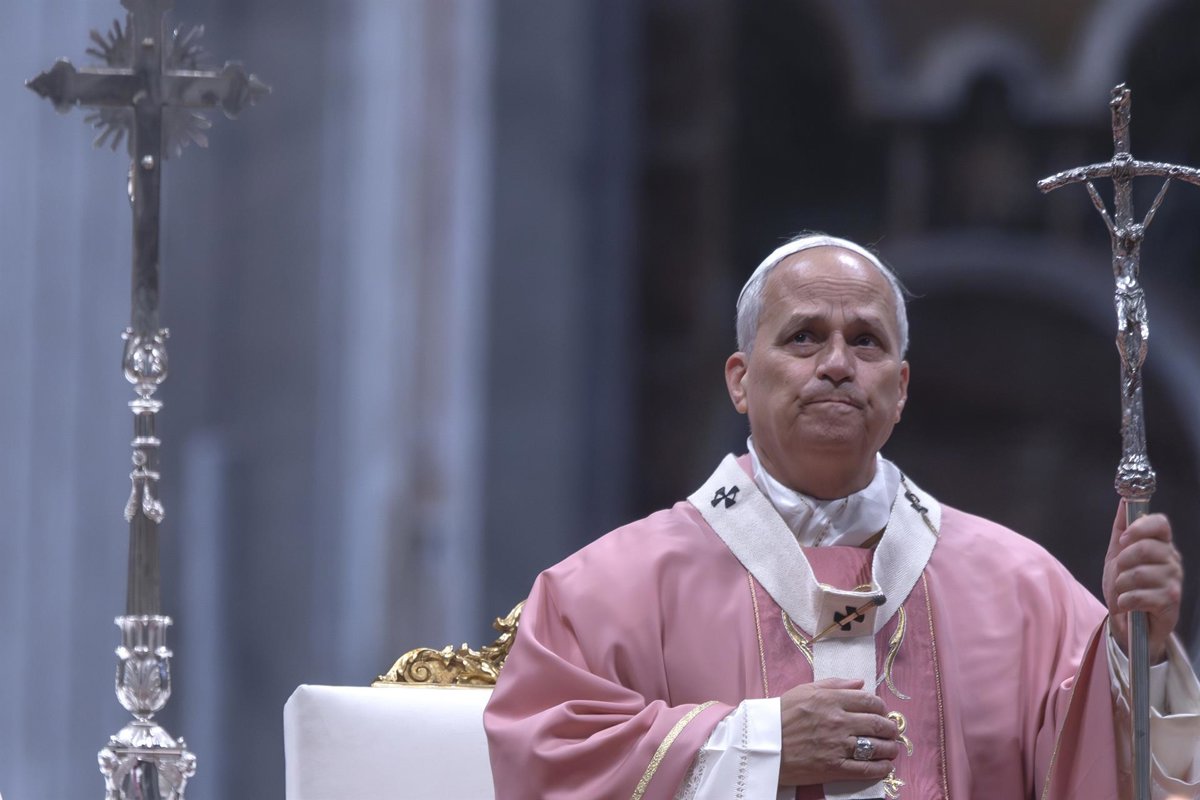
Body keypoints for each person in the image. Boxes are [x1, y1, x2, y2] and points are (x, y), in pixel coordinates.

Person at [483, 234, 1200, 799]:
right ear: (740, 380)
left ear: (901, 387)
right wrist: (761, 745)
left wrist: (1139, 652)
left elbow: (1113, 769)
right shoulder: (606, 591)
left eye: (866, 341)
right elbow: (546, 761)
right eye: (803, 337)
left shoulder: (1022, 589)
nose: (836, 363)